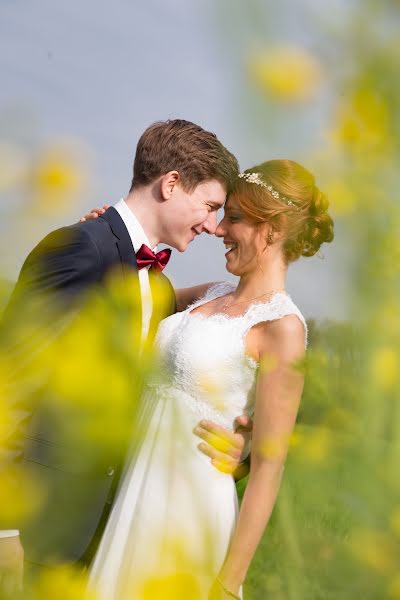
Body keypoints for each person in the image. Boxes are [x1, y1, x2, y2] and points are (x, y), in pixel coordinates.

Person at [0, 119, 253, 595]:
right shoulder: (77, 248)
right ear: (171, 184)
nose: (212, 225)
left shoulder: (155, 286)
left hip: (107, 527)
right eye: (210, 206)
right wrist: (4, 531)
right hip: (37, 525)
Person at [86, 159, 334, 599]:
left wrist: (227, 582)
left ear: (271, 230)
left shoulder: (283, 329)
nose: (218, 230)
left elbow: (267, 470)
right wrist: (101, 239)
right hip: (136, 491)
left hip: (190, 509)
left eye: (234, 218)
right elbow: (133, 288)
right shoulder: (208, 294)